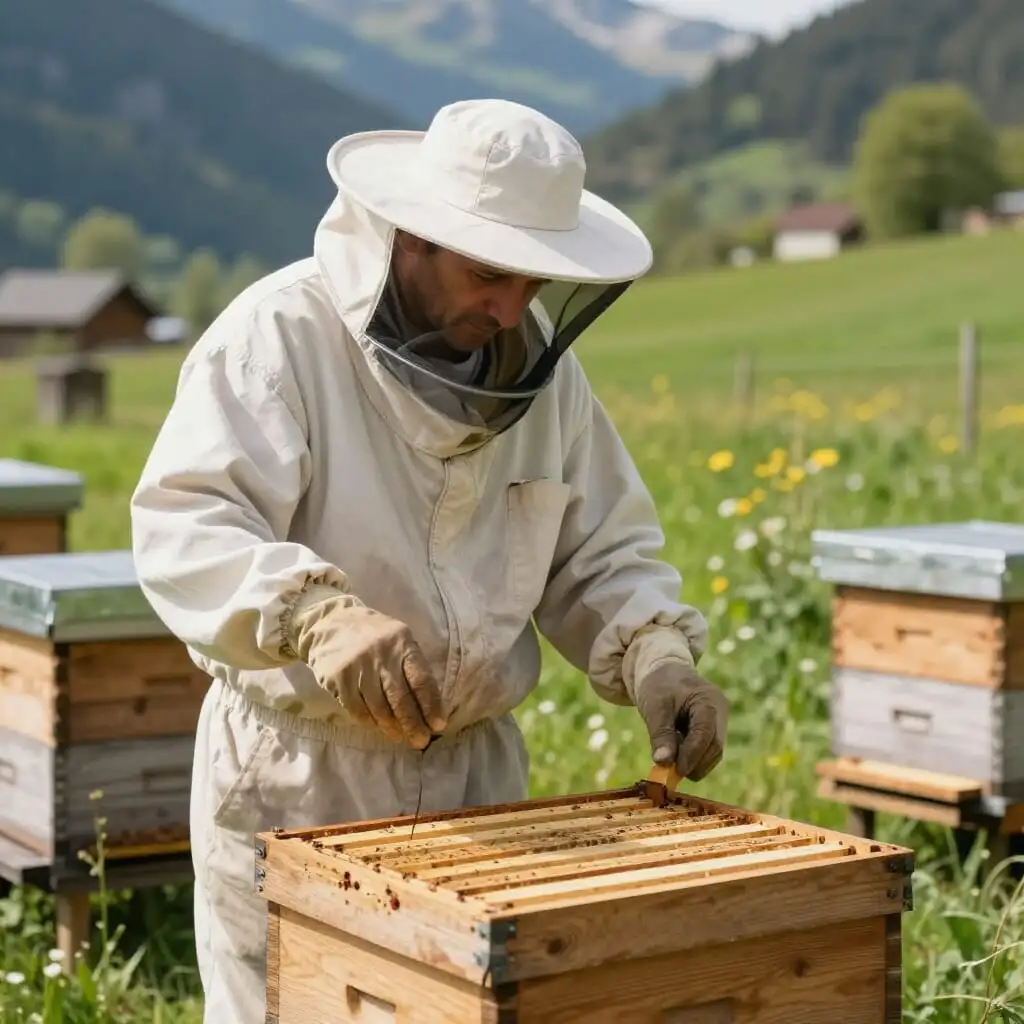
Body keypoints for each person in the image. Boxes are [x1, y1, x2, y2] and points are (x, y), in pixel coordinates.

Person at [129, 97, 729, 1023]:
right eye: (490, 274)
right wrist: (313, 614)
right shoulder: (280, 337)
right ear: (411, 239)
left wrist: (656, 654)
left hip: (475, 783)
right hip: (302, 774)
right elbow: (187, 522)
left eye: (535, 283)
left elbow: (596, 548)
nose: (509, 308)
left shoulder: (546, 381)